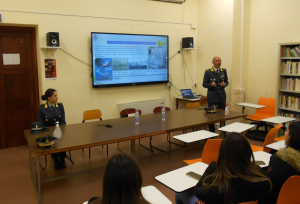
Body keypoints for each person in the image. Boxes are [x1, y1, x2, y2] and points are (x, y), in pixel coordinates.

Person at [175, 133, 271, 204]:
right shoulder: (262, 178)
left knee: (180, 195)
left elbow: (198, 190)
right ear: (248, 153)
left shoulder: (220, 189)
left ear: (222, 155)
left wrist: (215, 165)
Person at [258, 121, 300, 204]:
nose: (285, 133)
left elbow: (269, 183)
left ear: (291, 136)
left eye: (287, 131)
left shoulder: (279, 159)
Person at [38, 88, 67, 170]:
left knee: (61, 139)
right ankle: (55, 160)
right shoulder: (41, 108)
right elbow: (41, 123)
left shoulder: (60, 106)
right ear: (49, 98)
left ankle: (62, 159)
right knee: (52, 139)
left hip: (60, 130)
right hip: (49, 132)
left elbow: (63, 121)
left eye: (57, 95)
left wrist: (60, 129)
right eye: (55, 96)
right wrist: (50, 131)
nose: (57, 97)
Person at [202, 56, 229, 132]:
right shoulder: (208, 72)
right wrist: (211, 85)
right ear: (213, 62)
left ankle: (223, 132)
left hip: (221, 97)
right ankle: (212, 133)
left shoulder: (223, 71)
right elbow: (204, 84)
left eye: (220, 61)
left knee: (222, 116)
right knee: (211, 117)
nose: (219, 62)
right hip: (212, 97)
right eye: (217, 61)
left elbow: (227, 81)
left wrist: (225, 84)